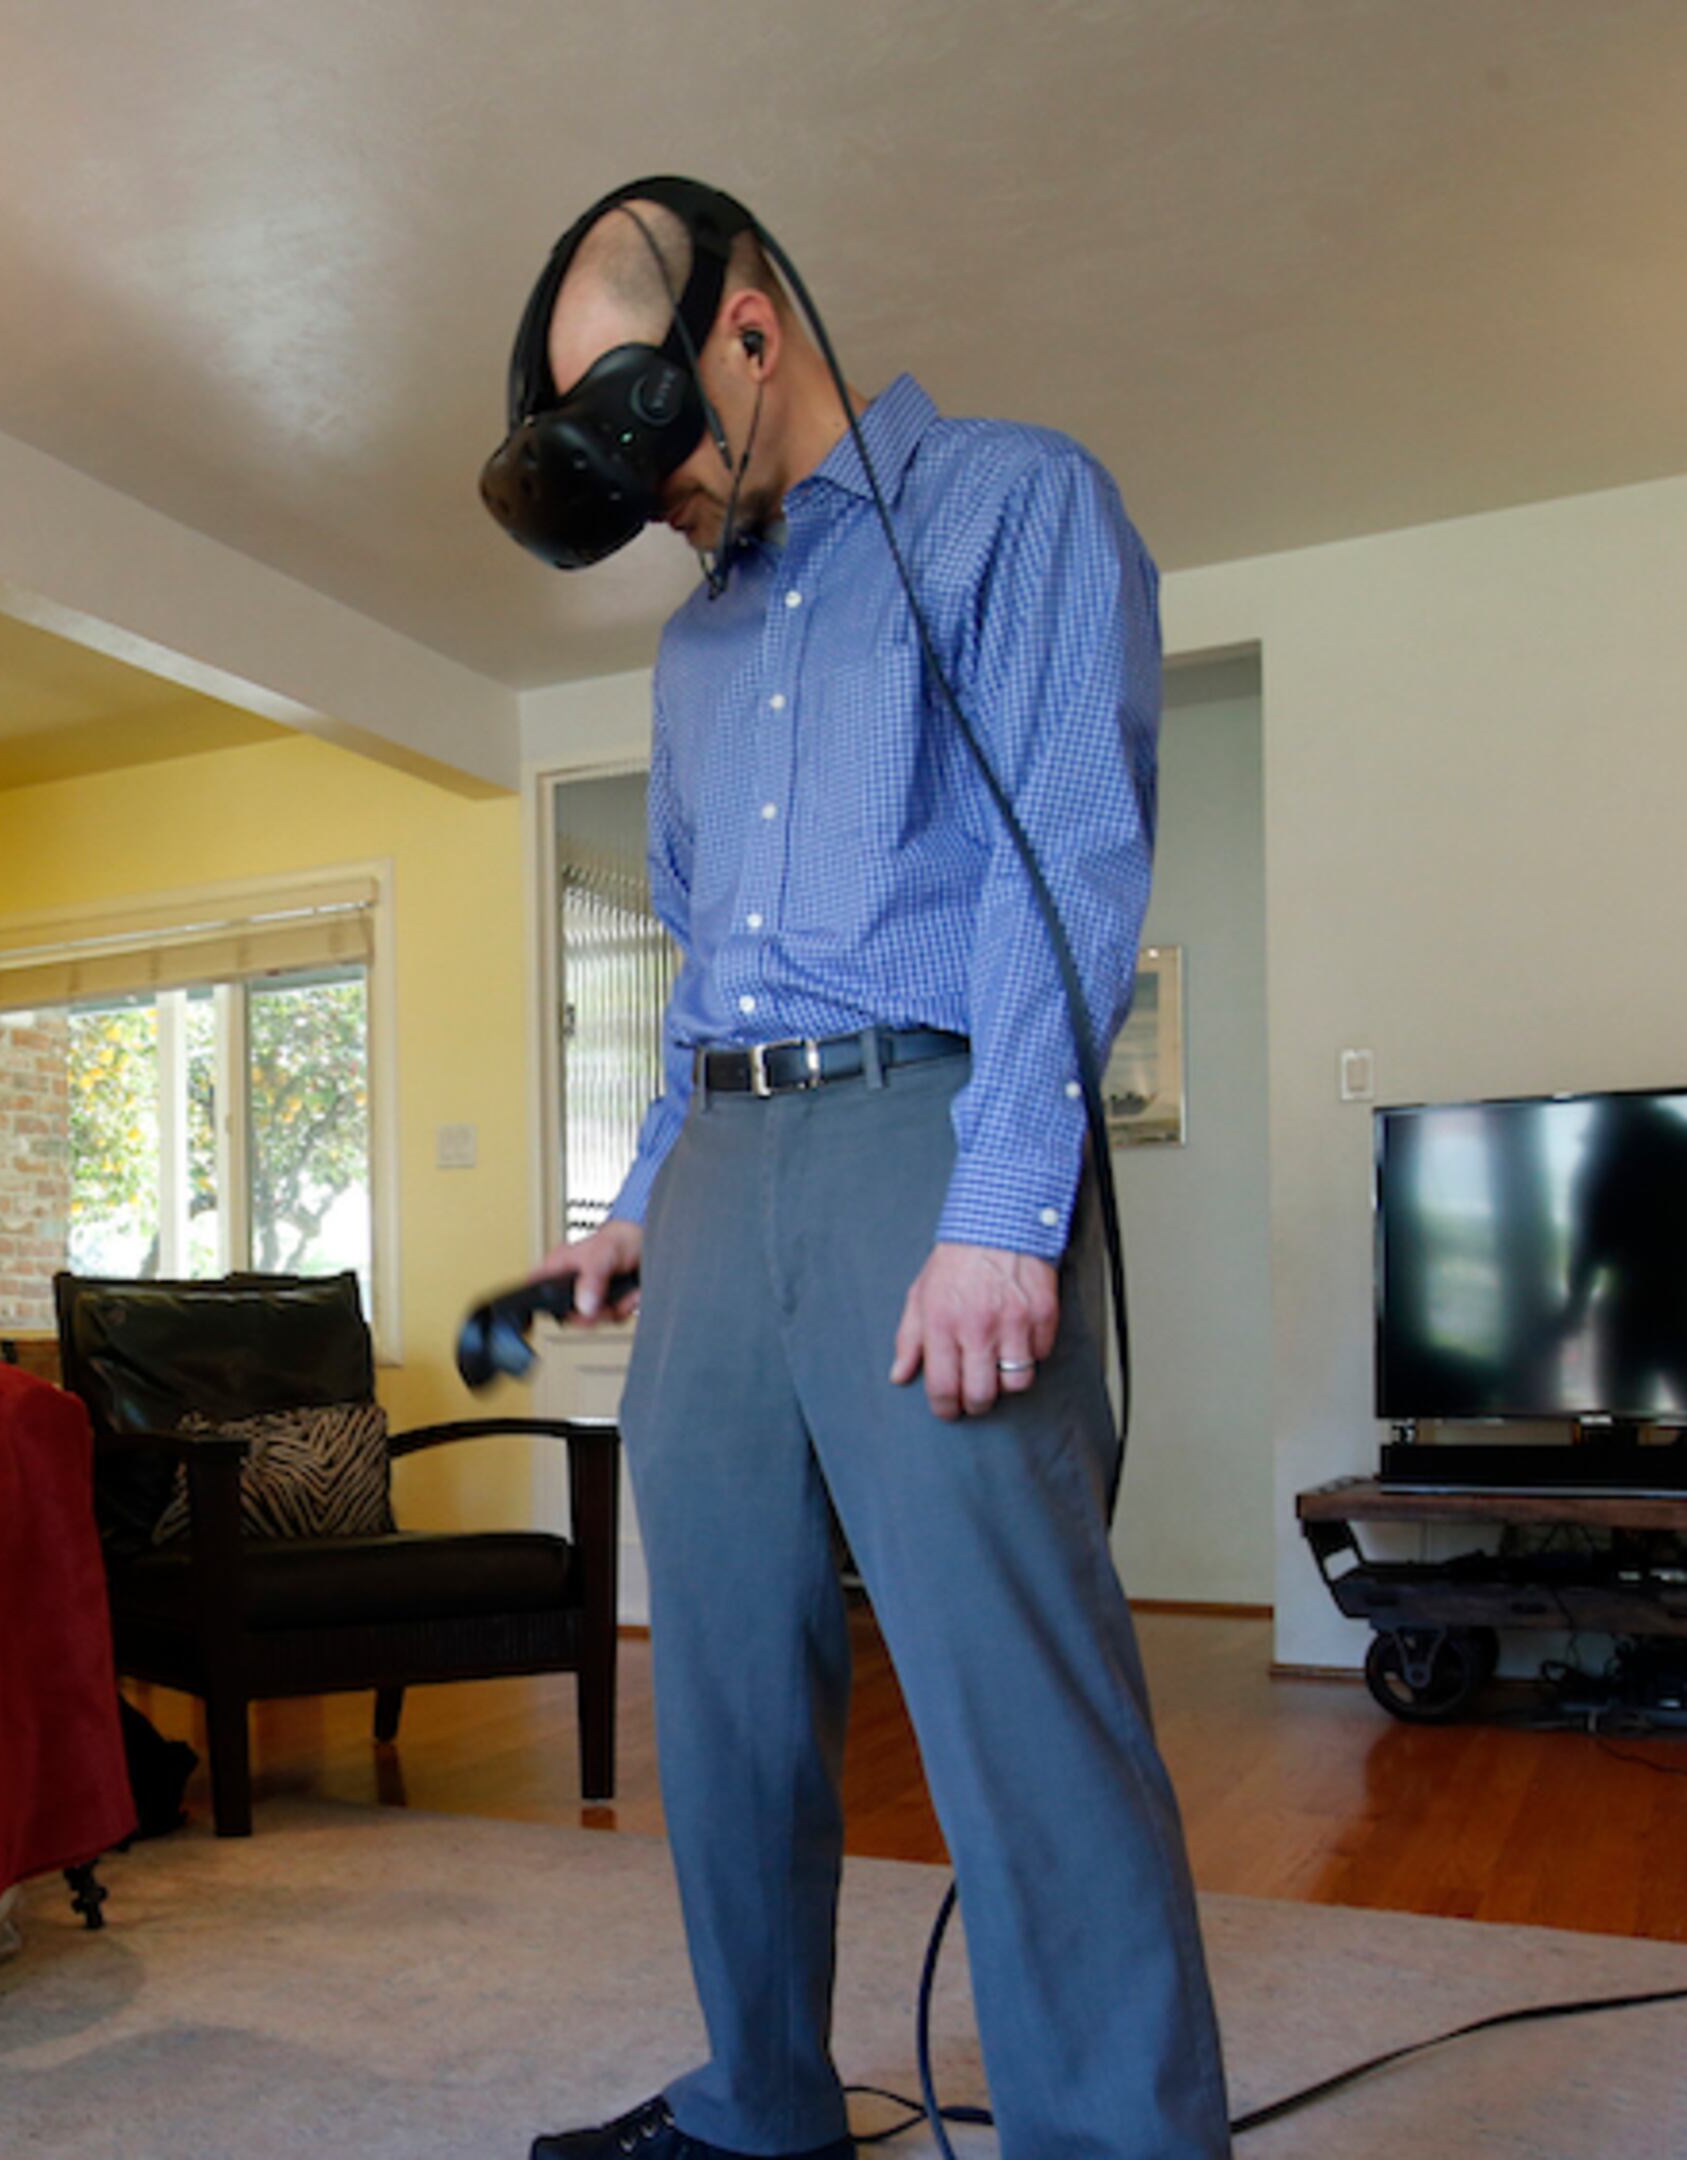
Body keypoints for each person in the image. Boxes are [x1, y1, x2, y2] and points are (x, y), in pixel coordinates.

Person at [508, 187, 1231, 2159]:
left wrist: (1008, 1206)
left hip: (936, 1131)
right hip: (728, 1179)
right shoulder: (686, 655)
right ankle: (763, 2106)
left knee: (1017, 1703)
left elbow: (1060, 866)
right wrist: (650, 1188)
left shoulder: (1015, 504)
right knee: (727, 1682)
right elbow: (698, 966)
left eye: (644, 424)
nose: (649, 491)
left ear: (747, 330)